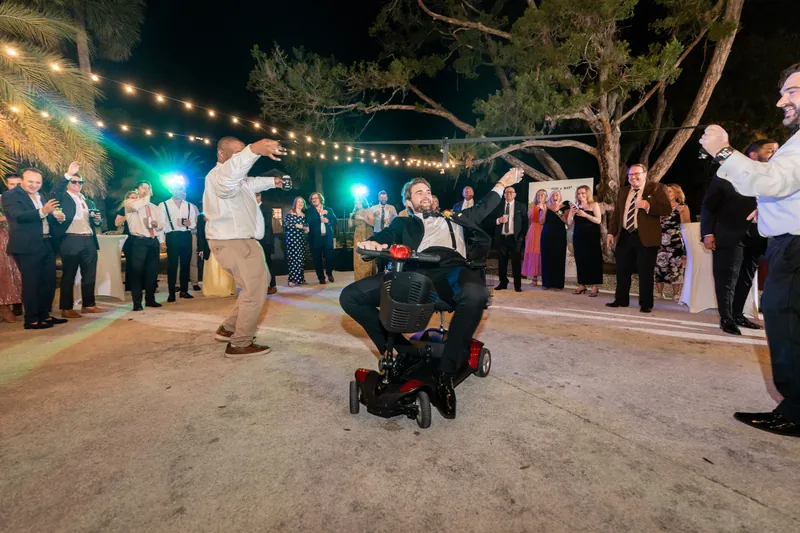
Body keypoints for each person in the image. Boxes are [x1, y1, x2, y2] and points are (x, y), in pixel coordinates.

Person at [340, 168, 523, 419]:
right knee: (350, 297)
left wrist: (503, 182)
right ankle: (401, 351)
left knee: (476, 293)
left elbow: (485, 206)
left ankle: (444, 373)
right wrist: (374, 242)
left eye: (428, 190)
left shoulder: (455, 217)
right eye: (418, 192)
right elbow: (386, 236)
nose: (425, 194)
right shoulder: (404, 221)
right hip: (416, 273)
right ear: (408, 202)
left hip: (452, 270)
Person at [698, 63, 800, 437]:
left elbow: (775, 179)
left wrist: (723, 152)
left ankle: (795, 412)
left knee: (786, 324)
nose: (781, 101)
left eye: (792, 91)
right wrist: (770, 207)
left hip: (794, 249)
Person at [203, 136, 286, 357]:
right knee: (256, 292)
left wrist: (272, 182)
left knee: (256, 286)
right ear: (222, 154)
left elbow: (249, 182)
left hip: (237, 242)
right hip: (235, 242)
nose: (241, 157)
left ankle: (229, 329)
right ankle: (240, 343)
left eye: (243, 153)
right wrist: (253, 150)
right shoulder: (220, 176)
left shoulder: (234, 180)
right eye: (236, 153)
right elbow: (233, 176)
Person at [701, 140, 775, 335]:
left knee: (746, 278)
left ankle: (738, 314)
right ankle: (726, 319)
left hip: (759, 235)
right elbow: (708, 205)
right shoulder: (726, 174)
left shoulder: (773, 177)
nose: (775, 154)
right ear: (752, 155)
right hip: (730, 233)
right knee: (727, 278)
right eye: (770, 151)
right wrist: (707, 233)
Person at [1, 168, 69, 329]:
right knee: (32, 283)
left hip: (46, 243)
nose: (34, 185)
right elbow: (17, 216)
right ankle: (31, 319)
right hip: (26, 245)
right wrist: (42, 211)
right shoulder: (10, 196)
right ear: (22, 180)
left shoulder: (41, 195)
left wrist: (55, 215)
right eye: (30, 181)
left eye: (37, 182)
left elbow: (55, 197)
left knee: (49, 282)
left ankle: (44, 315)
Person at [606, 164, 671, 313]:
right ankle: (621, 300)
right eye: (630, 175)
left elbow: (667, 209)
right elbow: (617, 214)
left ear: (644, 174)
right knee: (622, 270)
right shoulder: (623, 191)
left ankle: (646, 304)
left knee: (645, 272)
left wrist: (649, 206)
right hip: (625, 236)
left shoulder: (657, 188)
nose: (633, 178)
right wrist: (611, 233)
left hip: (646, 238)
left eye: (636, 174)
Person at [51, 162, 106, 317]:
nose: (77, 184)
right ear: (68, 183)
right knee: (69, 274)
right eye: (73, 181)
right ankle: (66, 308)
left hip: (89, 239)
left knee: (90, 275)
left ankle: (89, 305)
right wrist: (68, 173)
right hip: (71, 240)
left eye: (80, 182)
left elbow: (96, 222)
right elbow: (55, 190)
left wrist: (97, 220)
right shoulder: (63, 197)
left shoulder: (88, 201)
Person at [124, 181, 165, 312]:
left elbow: (161, 225)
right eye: (144, 188)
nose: (147, 190)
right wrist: (145, 197)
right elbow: (138, 206)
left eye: (149, 188)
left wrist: (156, 224)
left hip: (152, 241)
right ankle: (137, 302)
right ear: (137, 190)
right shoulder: (130, 204)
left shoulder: (154, 207)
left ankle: (150, 299)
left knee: (152, 272)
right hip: (139, 241)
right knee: (137, 272)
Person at [159, 182, 198, 302]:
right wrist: (161, 240)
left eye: (180, 189)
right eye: (175, 189)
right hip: (172, 235)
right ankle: (171, 293)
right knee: (172, 265)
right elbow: (161, 224)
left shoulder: (189, 206)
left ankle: (184, 291)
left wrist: (190, 223)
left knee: (186, 264)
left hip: (186, 235)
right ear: (170, 190)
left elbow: (194, 224)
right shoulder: (163, 205)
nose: (177, 191)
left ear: (183, 190)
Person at [655, 184, 691, 302]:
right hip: (659, 240)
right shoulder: (659, 206)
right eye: (666, 191)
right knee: (659, 266)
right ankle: (659, 292)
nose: (667, 193)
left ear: (676, 194)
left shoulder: (682, 207)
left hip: (675, 241)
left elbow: (687, 225)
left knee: (676, 267)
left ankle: (676, 293)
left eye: (670, 191)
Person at [567, 185, 603, 297]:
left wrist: (585, 214)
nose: (580, 195)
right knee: (581, 260)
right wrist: (571, 213)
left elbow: (598, 220)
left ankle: (594, 286)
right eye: (578, 193)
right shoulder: (576, 206)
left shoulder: (594, 205)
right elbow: (569, 223)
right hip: (579, 237)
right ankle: (582, 284)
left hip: (592, 237)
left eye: (583, 193)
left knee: (593, 261)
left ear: (588, 193)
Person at [493, 186, 528, 292]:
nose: (508, 194)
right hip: (502, 237)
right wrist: (498, 220)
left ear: (515, 194)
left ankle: (518, 285)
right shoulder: (498, 206)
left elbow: (525, 222)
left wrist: (521, 236)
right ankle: (503, 282)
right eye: (506, 192)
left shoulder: (521, 206)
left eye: (510, 192)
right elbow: (490, 220)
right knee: (502, 262)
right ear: (504, 195)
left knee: (516, 262)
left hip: (515, 238)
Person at [0, 174, 23, 323]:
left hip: (20, 239)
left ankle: (17, 303)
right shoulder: (2, 199)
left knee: (19, 273)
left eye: (18, 184)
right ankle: (4, 307)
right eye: (12, 184)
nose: (15, 187)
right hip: (3, 240)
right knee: (6, 273)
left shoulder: (26, 199)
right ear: (6, 185)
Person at [197, 212, 236, 297]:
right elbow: (200, 234)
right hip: (210, 246)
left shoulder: (226, 214)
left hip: (225, 245)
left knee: (225, 267)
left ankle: (226, 288)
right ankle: (213, 289)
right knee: (212, 266)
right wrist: (201, 248)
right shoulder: (202, 216)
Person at [306, 192, 337, 284]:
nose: (314, 200)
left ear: (320, 199)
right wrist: (320, 215)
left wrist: (328, 220)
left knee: (329, 257)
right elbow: (309, 221)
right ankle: (321, 277)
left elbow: (335, 220)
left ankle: (329, 273)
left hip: (327, 238)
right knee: (317, 258)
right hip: (315, 239)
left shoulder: (329, 209)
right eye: (312, 199)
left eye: (316, 198)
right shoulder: (309, 211)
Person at [540, 190, 568, 290]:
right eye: (552, 195)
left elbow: (566, 221)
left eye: (557, 195)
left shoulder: (565, 207)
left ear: (560, 197)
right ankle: (547, 283)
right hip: (547, 235)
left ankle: (558, 284)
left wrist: (557, 211)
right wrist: (544, 211)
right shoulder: (545, 207)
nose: (554, 196)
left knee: (559, 258)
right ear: (550, 197)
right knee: (546, 258)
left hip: (559, 235)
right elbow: (541, 221)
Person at [522, 189, 547, 286]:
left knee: (542, 253)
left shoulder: (547, 207)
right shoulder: (532, 207)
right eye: (538, 195)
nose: (540, 196)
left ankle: (545, 278)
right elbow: (529, 219)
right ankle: (534, 278)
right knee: (533, 252)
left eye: (542, 195)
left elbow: (543, 221)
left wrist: (544, 210)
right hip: (533, 230)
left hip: (543, 230)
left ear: (545, 197)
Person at [284, 197, 310, 287]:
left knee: (301, 259)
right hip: (292, 238)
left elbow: (306, 226)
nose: (300, 203)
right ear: (295, 203)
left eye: (302, 202)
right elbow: (287, 224)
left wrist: (306, 228)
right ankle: (291, 280)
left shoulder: (304, 215)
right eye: (299, 202)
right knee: (293, 259)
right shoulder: (290, 213)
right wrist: (299, 226)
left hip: (301, 239)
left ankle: (300, 279)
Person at [256, 192, 278, 295]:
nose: (255, 197)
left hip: (266, 240)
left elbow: (266, 224)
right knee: (255, 264)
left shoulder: (267, 208)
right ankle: (259, 286)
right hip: (253, 240)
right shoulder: (248, 208)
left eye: (257, 195)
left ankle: (272, 285)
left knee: (267, 263)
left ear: (260, 196)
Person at [349, 199, 376, 281]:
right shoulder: (354, 212)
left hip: (367, 234)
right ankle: (358, 279)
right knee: (357, 257)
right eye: (355, 202)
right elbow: (350, 226)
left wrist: (363, 218)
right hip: (357, 235)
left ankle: (367, 278)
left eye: (358, 202)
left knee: (366, 255)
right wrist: (350, 217)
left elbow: (372, 223)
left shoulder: (368, 210)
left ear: (362, 202)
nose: (357, 204)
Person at [370, 190, 397, 271]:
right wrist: (374, 216)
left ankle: (389, 271)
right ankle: (380, 271)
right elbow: (369, 221)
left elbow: (397, 220)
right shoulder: (373, 208)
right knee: (379, 254)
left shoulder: (392, 207)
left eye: (385, 197)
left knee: (388, 253)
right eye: (381, 197)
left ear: (387, 198)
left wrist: (391, 218)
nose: (383, 199)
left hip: (388, 233)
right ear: (379, 198)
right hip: (377, 233)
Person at [116, 190, 137, 291]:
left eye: (136, 198)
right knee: (131, 262)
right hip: (129, 239)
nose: (134, 200)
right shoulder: (124, 209)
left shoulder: (141, 209)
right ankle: (130, 285)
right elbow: (117, 223)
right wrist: (128, 215)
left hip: (140, 238)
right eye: (132, 198)